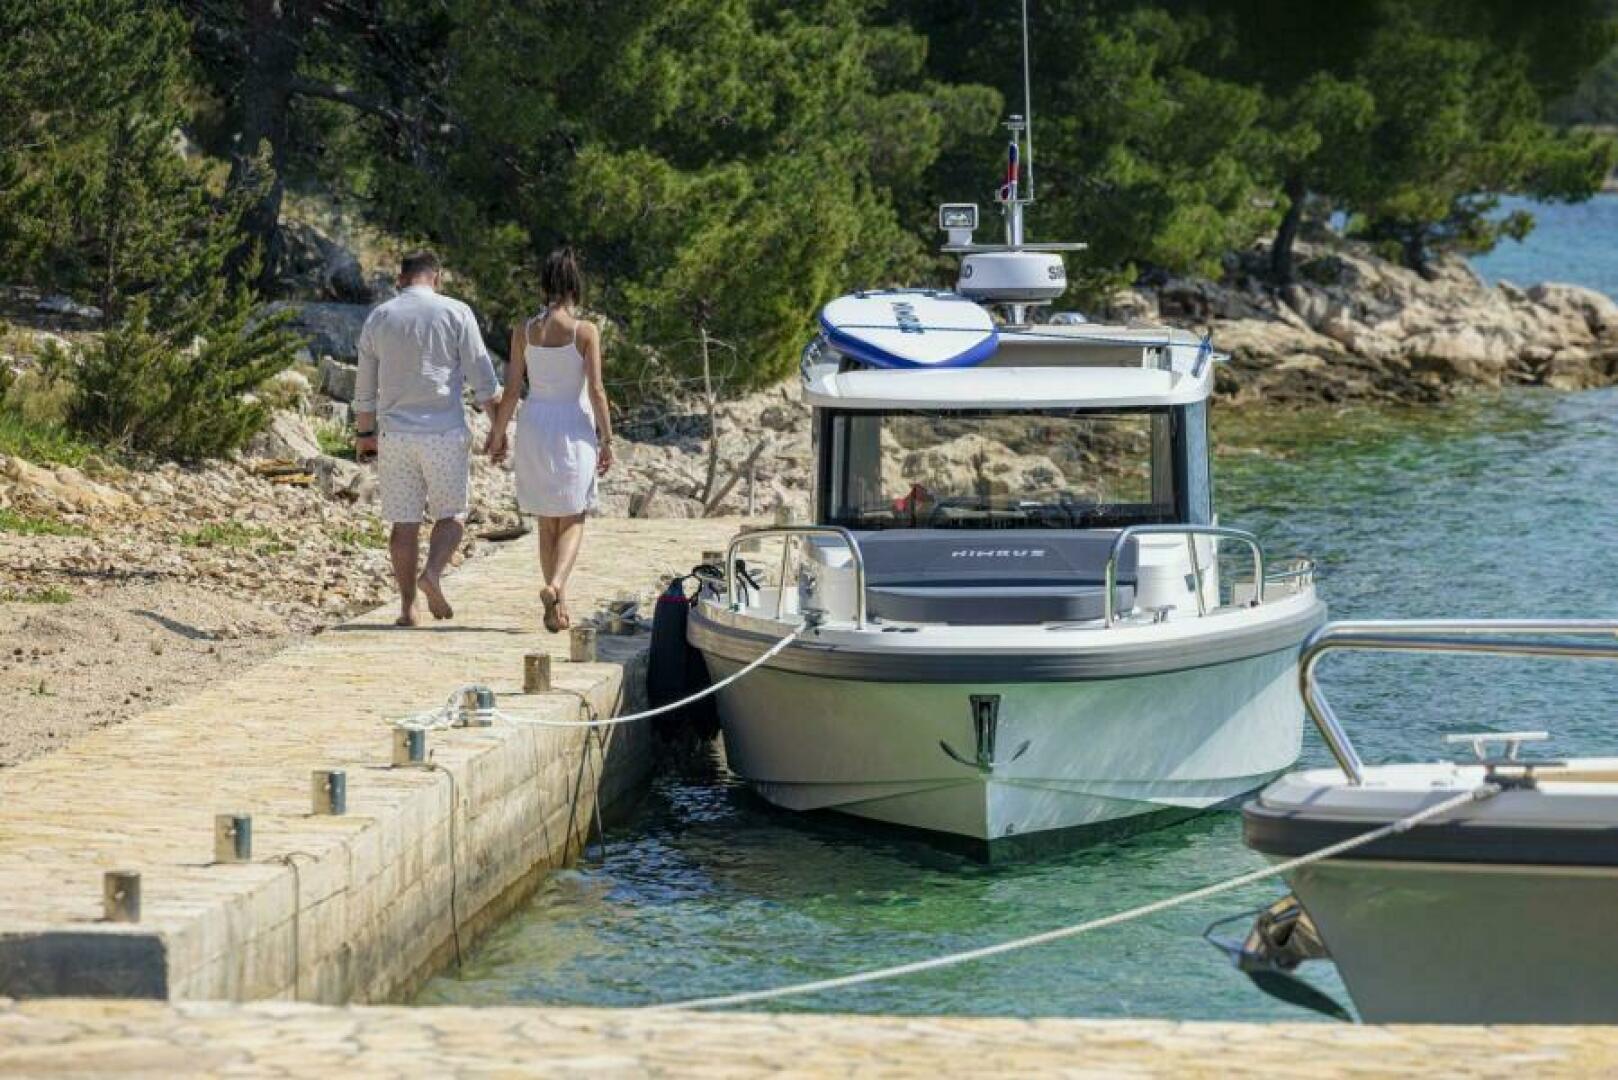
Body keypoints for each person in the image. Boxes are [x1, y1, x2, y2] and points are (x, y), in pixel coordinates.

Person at [354, 250, 501, 626]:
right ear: (437, 278)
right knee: (451, 516)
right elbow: (482, 378)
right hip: (443, 432)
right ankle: (432, 573)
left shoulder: (380, 316)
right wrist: (498, 429)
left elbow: (365, 384)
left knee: (403, 524)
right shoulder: (456, 312)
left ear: (400, 279)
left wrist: (364, 433)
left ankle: (407, 607)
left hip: (395, 434)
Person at [486, 247, 613, 632]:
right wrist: (607, 438)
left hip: (535, 423)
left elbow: (511, 391)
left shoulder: (524, 331)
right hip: (572, 424)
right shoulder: (585, 331)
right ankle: (555, 585)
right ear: (576, 286)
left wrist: (497, 435)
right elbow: (596, 390)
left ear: (544, 285)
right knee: (574, 514)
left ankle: (558, 607)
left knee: (547, 520)